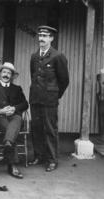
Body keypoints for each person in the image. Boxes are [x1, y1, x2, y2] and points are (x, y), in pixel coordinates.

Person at [29, 25, 69, 172]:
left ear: (51, 38)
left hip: (49, 99)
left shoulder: (58, 56)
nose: (41, 38)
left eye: (45, 36)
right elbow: (33, 75)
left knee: (50, 129)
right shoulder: (34, 56)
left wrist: (54, 94)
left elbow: (64, 80)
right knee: (36, 128)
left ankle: (52, 159)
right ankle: (39, 156)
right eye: (40, 35)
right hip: (35, 98)